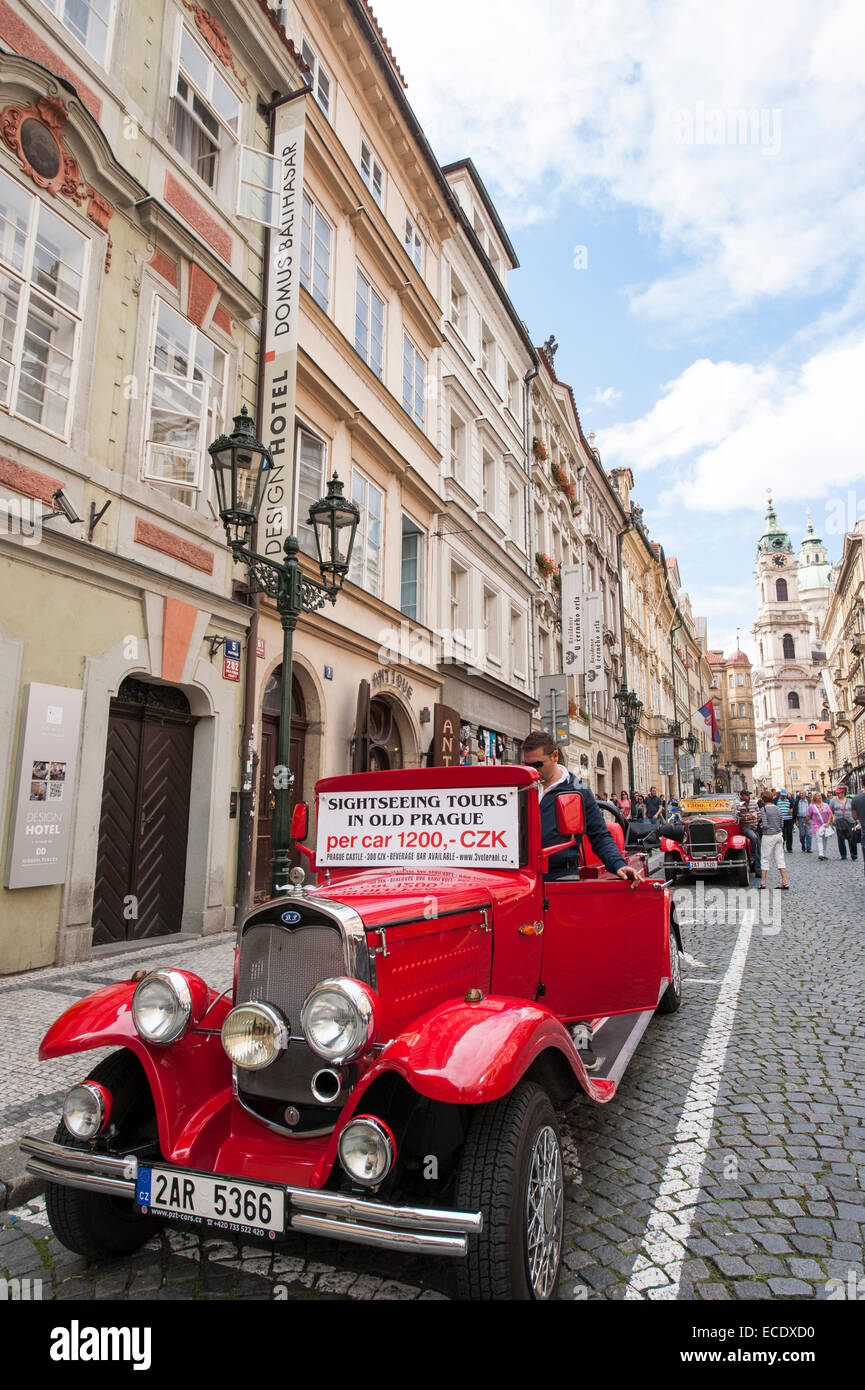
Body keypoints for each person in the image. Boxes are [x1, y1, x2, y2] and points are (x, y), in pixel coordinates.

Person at [521, 733, 640, 881]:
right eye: (527, 764)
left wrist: (618, 864)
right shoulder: (520, 786)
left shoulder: (578, 789)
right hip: (521, 873)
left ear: (555, 756)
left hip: (560, 874)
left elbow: (599, 834)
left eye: (538, 764)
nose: (532, 770)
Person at [758, 792, 790, 890]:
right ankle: (785, 881)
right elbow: (781, 823)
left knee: (765, 858)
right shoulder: (777, 808)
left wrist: (760, 827)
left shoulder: (763, 809)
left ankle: (763, 882)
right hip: (778, 834)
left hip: (768, 836)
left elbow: (765, 824)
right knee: (780, 858)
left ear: (763, 800)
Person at [737, 790, 762, 884]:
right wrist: (747, 818)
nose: (748, 797)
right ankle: (752, 855)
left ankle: (758, 870)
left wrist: (755, 818)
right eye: (746, 795)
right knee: (754, 838)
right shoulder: (739, 806)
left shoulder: (754, 804)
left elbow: (759, 815)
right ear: (742, 796)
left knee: (758, 847)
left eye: (748, 795)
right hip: (746, 828)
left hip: (754, 827)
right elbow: (738, 818)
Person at [829, 788, 858, 862]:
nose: (838, 794)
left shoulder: (850, 801)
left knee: (851, 838)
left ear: (843, 793)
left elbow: (854, 809)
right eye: (837, 793)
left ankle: (853, 854)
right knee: (841, 838)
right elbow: (829, 810)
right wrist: (833, 817)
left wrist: (855, 818)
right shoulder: (833, 801)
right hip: (839, 821)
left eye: (839, 793)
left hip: (850, 821)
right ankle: (843, 855)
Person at [806, 793, 835, 860]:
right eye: (817, 796)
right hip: (816, 825)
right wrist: (805, 823)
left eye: (820, 796)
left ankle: (824, 854)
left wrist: (828, 822)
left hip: (825, 825)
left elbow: (830, 814)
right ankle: (821, 854)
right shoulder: (812, 806)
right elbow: (808, 815)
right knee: (819, 839)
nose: (819, 797)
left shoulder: (826, 805)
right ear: (815, 798)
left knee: (824, 840)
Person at [775, 788, 794, 853]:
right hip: (780, 820)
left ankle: (789, 848)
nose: (783, 797)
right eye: (782, 795)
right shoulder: (776, 800)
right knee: (781, 834)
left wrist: (791, 810)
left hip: (788, 819)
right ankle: (781, 847)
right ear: (780, 794)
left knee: (789, 834)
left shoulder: (789, 800)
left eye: (784, 795)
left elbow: (792, 807)